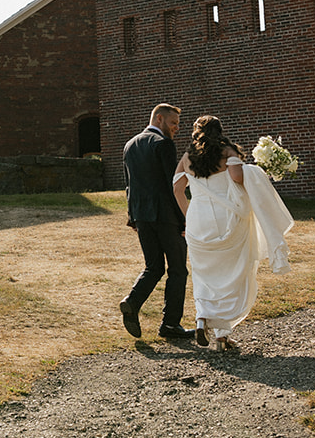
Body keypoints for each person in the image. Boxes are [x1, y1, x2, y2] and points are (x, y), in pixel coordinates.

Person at [172, 115, 294, 351]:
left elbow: (177, 189)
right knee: (234, 271)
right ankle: (221, 333)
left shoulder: (187, 158)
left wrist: (189, 217)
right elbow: (238, 178)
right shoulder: (227, 151)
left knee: (203, 273)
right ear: (219, 131)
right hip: (227, 217)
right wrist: (258, 173)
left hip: (198, 219)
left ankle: (204, 320)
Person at [119, 103, 194, 340]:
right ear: (159, 119)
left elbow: (129, 185)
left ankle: (132, 302)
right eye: (173, 123)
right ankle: (170, 325)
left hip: (142, 217)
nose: (176, 129)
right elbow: (171, 186)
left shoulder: (130, 145)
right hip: (166, 218)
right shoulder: (163, 144)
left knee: (153, 267)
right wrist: (184, 221)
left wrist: (133, 217)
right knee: (178, 270)